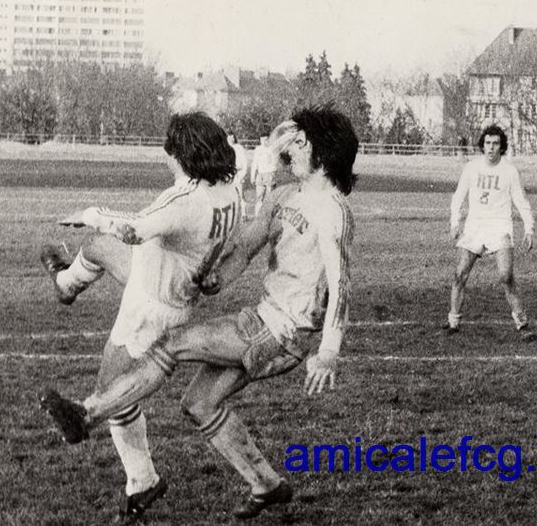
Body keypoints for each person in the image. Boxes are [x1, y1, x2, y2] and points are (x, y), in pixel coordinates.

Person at [41, 106, 358, 520]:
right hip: (263, 321)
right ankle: (266, 483)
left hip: (281, 331)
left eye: (303, 142)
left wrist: (330, 350)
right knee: (199, 402)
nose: (293, 148)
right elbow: (245, 247)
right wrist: (218, 279)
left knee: (170, 345)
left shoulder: (332, 209)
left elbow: (341, 283)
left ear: (324, 152)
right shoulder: (284, 196)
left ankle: (88, 414)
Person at [39, 111, 242, 520]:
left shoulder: (186, 199)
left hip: (153, 304)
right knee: (96, 248)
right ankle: (65, 285)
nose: (167, 160)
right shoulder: (231, 193)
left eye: (171, 153)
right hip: (165, 278)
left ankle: (142, 480)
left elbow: (134, 229)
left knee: (112, 391)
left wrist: (92, 212)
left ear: (185, 156)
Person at [447, 125, 537, 341]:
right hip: (474, 227)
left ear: (501, 146)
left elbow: (521, 201)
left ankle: (522, 323)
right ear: (482, 145)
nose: (491, 147)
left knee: (506, 276)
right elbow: (458, 197)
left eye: (495, 143)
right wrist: (455, 222)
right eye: (487, 143)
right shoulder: (471, 168)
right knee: (460, 275)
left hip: (500, 227)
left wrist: (529, 227)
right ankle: (453, 321)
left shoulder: (509, 171)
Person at [250, 133, 278, 217]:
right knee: (259, 196)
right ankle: (257, 217)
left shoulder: (272, 149)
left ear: (268, 139)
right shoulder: (258, 149)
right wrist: (252, 176)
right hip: (260, 175)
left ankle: (269, 217)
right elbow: (254, 163)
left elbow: (275, 163)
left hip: (269, 174)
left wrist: (272, 173)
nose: (263, 142)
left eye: (265, 140)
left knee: (269, 197)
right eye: (262, 140)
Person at [228, 133, 249, 219]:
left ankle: (244, 214)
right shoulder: (225, 148)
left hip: (238, 175)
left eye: (233, 137)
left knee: (241, 195)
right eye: (229, 137)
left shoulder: (239, 148)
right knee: (229, 196)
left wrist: (242, 175)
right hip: (229, 175)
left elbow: (244, 163)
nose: (231, 139)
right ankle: (232, 215)